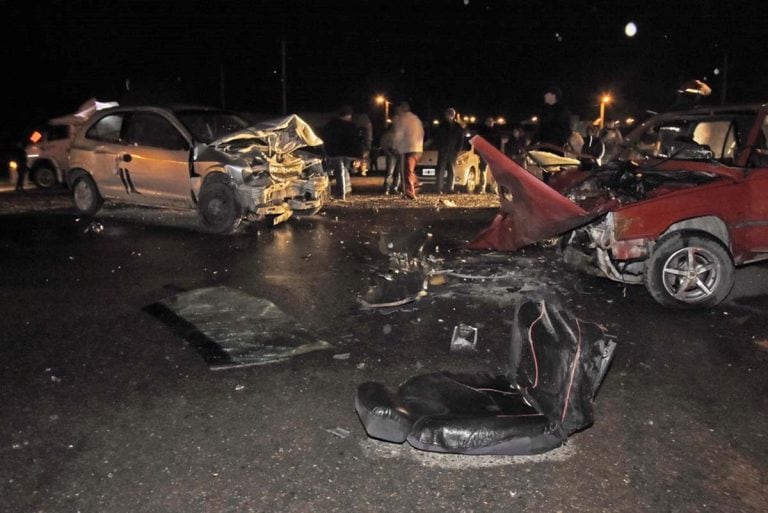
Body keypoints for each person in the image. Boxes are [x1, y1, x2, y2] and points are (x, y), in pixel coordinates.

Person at [320, 105, 362, 199]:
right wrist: (359, 155)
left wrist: (326, 150)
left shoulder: (331, 125)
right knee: (344, 171)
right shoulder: (353, 126)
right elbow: (357, 142)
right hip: (349, 154)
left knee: (337, 172)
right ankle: (344, 191)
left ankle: (340, 193)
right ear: (350, 115)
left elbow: (325, 137)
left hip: (335, 153)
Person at [391, 101, 424, 199]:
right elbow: (421, 132)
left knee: (406, 171)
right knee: (410, 170)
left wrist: (394, 146)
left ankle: (410, 192)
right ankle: (416, 183)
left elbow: (399, 134)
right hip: (418, 148)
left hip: (408, 148)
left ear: (402, 109)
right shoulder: (416, 119)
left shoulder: (403, 119)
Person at [433, 107, 464, 194]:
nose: (448, 116)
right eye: (447, 114)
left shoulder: (458, 127)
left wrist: (457, 150)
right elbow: (437, 137)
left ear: (453, 115)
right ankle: (439, 188)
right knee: (440, 170)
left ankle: (450, 188)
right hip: (443, 150)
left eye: (450, 114)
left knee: (451, 170)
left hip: (452, 151)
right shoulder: (442, 126)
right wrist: (439, 147)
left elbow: (461, 139)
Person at [533, 85, 572, 153]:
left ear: (553, 95)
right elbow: (539, 129)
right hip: (543, 146)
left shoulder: (562, 110)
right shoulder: (544, 111)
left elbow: (566, 129)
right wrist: (532, 144)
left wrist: (560, 142)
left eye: (547, 94)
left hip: (556, 148)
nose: (544, 96)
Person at [477, 116, 501, 194]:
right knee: (483, 171)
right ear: (486, 122)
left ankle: (493, 188)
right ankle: (482, 188)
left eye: (491, 121)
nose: (490, 123)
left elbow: (498, 143)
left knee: (494, 172)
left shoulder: (496, 131)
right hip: (484, 153)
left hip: (493, 153)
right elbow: (478, 142)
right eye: (489, 121)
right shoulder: (482, 131)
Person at [379, 125, 401, 195]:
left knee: (397, 173)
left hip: (398, 154)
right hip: (391, 154)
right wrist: (388, 152)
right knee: (390, 173)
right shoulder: (388, 135)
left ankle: (394, 188)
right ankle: (387, 188)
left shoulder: (400, 134)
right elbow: (383, 145)